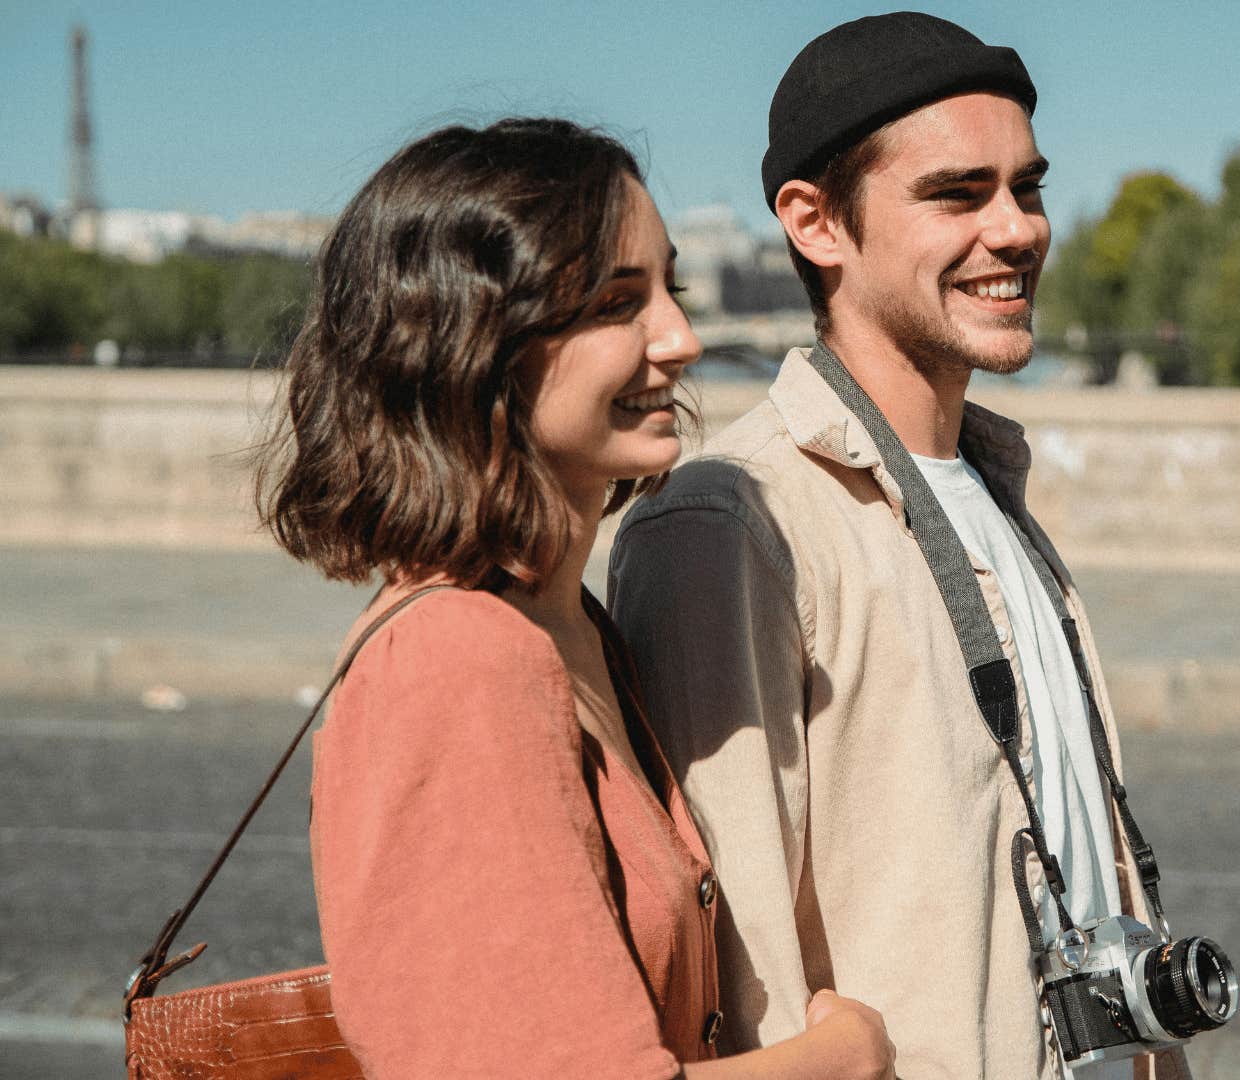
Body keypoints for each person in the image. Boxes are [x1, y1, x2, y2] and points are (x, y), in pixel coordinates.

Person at [607, 15, 1191, 1079]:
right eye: (957, 195)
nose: (1017, 231)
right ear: (815, 223)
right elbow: (741, 979)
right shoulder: (732, 525)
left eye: (1028, 188)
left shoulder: (995, 492)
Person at [257, 117, 894, 1080]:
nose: (680, 338)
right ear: (476, 344)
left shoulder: (570, 628)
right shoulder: (463, 661)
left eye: (668, 288)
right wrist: (841, 1061)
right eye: (615, 301)